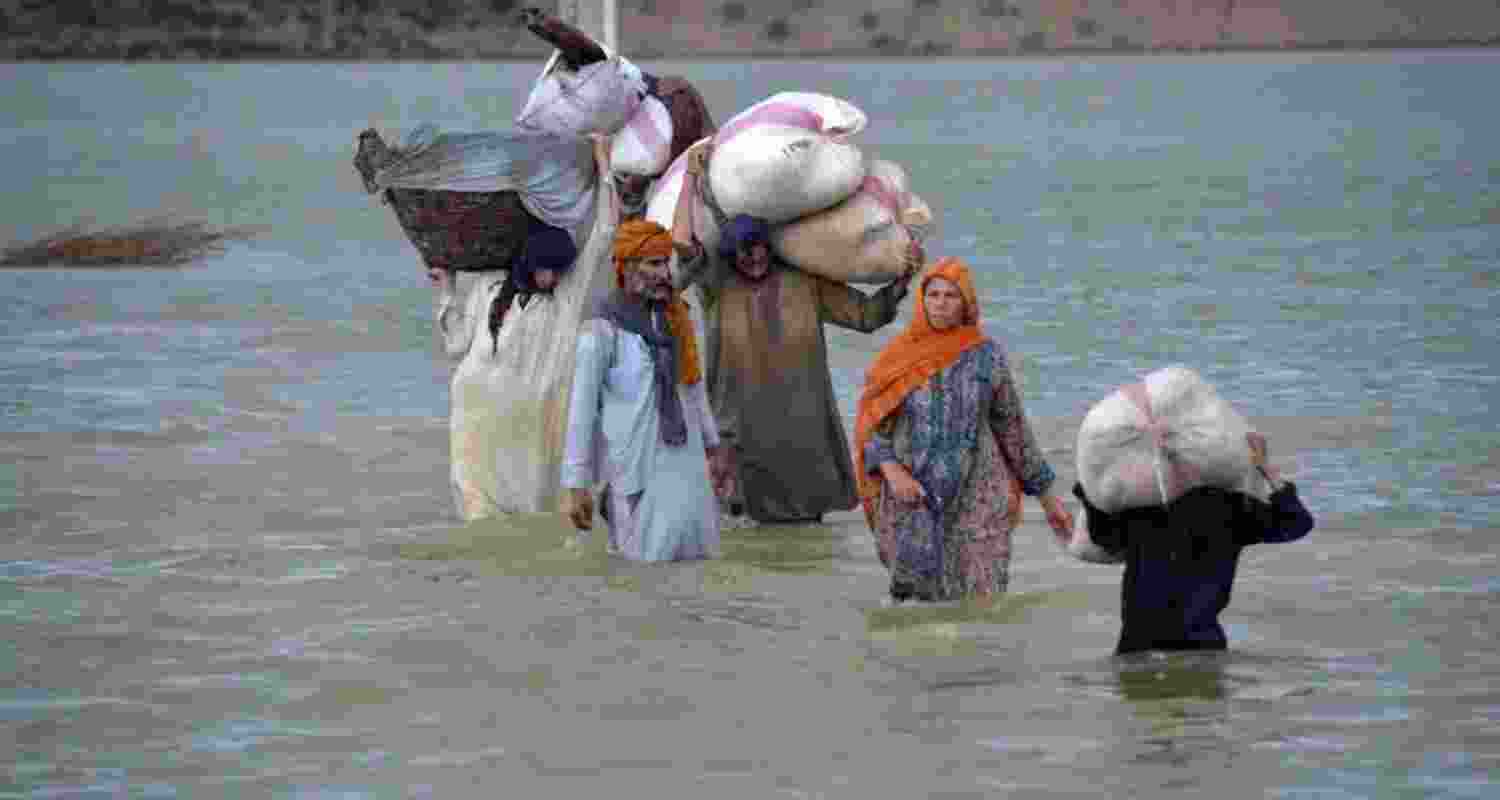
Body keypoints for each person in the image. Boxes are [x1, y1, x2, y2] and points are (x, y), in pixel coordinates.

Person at [671, 145, 917, 524]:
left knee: (805, 531)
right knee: (739, 531)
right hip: (739, 429)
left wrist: (902, 278)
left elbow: (867, 315)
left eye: (759, 250)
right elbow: (683, 242)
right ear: (730, 256)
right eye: (743, 253)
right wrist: (690, 177)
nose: (754, 259)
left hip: (801, 430)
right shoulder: (716, 285)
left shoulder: (803, 281)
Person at [853, 256, 1074, 603]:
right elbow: (873, 428)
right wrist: (893, 472)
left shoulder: (986, 355)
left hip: (979, 495)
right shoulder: (898, 358)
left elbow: (1013, 429)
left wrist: (1049, 501)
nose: (940, 304)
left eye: (951, 296)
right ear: (922, 301)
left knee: (980, 603)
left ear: (966, 303)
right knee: (915, 610)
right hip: (913, 493)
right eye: (933, 294)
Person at [559, 219, 732, 561]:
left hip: (684, 458)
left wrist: (714, 446)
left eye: (666, 263)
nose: (664, 273)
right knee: (638, 567)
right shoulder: (601, 329)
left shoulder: (676, 320)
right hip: (632, 466)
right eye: (654, 263)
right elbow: (581, 409)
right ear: (626, 267)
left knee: (692, 557)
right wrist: (575, 485)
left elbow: (693, 387)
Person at [1071, 431, 1315, 655]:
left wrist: (1089, 490)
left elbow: (1105, 538)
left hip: (1139, 645)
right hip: (1201, 645)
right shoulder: (1232, 508)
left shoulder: (1145, 506)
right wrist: (1265, 468)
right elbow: (1296, 523)